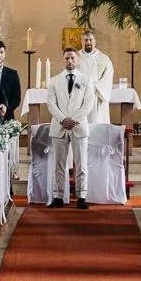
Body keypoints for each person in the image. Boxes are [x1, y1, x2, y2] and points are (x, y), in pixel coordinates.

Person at [46, 46, 92, 209]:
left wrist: (75, 120)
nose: (70, 61)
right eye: (67, 58)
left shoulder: (86, 80)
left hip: (78, 126)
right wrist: (63, 119)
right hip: (59, 126)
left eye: (73, 58)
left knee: (81, 162)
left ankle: (82, 196)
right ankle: (58, 196)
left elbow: (88, 104)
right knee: (59, 163)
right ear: (63, 59)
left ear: (77, 59)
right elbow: (51, 103)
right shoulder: (54, 80)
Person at [74, 28, 115, 125]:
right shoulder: (75, 57)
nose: (88, 42)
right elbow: (70, 75)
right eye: (85, 40)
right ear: (81, 41)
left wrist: (93, 87)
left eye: (90, 40)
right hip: (80, 97)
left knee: (97, 125)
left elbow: (108, 78)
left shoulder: (104, 59)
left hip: (97, 96)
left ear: (95, 41)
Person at [0, 39, 23, 122]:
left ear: (4, 54)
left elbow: (16, 98)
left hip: (7, 117)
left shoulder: (12, 74)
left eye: (1, 52)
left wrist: (5, 111)